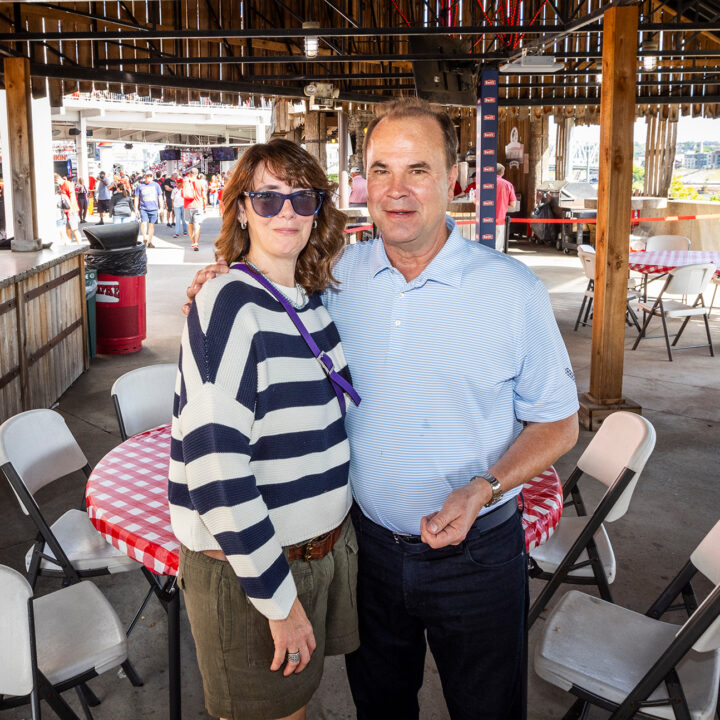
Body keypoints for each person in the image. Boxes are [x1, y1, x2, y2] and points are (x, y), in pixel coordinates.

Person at [185, 98, 579, 720]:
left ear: (453, 179)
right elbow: (263, 297)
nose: (397, 191)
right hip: (365, 552)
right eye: (381, 170)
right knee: (381, 707)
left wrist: (483, 488)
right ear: (361, 181)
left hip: (476, 555)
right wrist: (219, 282)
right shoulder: (333, 277)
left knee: (488, 709)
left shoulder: (514, 290)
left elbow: (559, 422)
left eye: (418, 170)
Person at [169, 137, 360, 720]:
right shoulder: (228, 302)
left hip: (314, 558)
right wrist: (280, 604)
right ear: (242, 208)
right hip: (254, 574)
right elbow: (215, 467)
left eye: (303, 200)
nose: (287, 213)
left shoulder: (308, 301)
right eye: (269, 198)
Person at [134, 171, 164, 248]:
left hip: (154, 208)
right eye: (147, 176)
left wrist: (161, 207)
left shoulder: (156, 185)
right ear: (145, 176)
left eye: (150, 176)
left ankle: (150, 241)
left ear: (152, 177)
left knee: (151, 225)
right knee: (144, 223)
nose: (149, 177)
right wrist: (136, 209)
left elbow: (160, 196)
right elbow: (136, 198)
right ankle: (144, 238)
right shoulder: (140, 185)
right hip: (143, 208)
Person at [496, 162, 517, 253]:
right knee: (498, 247)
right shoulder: (508, 185)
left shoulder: (484, 182)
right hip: (500, 217)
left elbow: (475, 200)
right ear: (502, 173)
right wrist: (503, 202)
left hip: (483, 219)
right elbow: (513, 204)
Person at [182, 167, 205, 251]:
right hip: (198, 205)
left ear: (190, 174)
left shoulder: (185, 182)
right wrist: (204, 206)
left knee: (190, 224)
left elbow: (182, 194)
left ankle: (192, 242)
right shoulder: (201, 182)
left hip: (188, 205)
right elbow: (204, 195)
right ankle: (196, 243)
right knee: (197, 224)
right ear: (197, 174)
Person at [55, 173, 82, 243]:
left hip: (72, 210)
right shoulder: (61, 185)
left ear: (57, 179)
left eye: (55, 181)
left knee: (74, 229)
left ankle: (81, 250)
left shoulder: (67, 184)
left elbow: (72, 196)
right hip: (65, 211)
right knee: (68, 230)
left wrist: (71, 209)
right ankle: (70, 248)